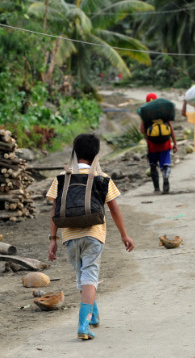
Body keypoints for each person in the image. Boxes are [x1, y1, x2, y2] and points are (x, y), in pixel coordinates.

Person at [46, 133, 135, 340]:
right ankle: (83, 326)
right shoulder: (103, 179)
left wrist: (53, 239)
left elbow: (54, 211)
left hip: (69, 236)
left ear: (75, 153)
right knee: (89, 279)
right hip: (94, 235)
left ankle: (92, 316)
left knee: (83, 278)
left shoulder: (61, 177)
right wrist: (124, 235)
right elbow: (114, 210)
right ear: (96, 154)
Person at [139, 93, 178, 194]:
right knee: (165, 164)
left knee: (153, 166)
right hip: (165, 144)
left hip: (152, 145)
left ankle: (156, 188)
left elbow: (142, 130)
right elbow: (171, 128)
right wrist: (175, 143)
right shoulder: (164, 112)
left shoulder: (145, 114)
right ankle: (165, 175)